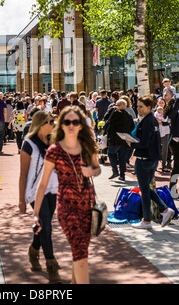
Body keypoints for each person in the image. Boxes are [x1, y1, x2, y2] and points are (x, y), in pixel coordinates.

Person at [33, 106, 101, 284]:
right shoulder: (54, 150)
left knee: (80, 252)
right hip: (67, 206)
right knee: (80, 251)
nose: (71, 125)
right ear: (61, 124)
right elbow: (42, 184)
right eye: (67, 121)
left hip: (88, 203)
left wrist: (91, 172)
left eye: (75, 122)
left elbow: (98, 168)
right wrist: (35, 214)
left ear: (81, 125)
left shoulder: (87, 145)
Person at [19, 111, 60, 283]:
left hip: (52, 189)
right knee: (47, 227)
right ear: (40, 124)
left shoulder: (54, 142)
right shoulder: (28, 144)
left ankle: (34, 249)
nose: (53, 124)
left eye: (53, 121)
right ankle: (51, 265)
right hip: (35, 191)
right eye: (50, 121)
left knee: (44, 225)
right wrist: (21, 199)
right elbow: (23, 174)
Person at [131, 95, 175, 229]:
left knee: (145, 190)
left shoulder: (148, 121)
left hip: (145, 159)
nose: (138, 109)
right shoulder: (152, 120)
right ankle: (161, 212)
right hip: (152, 159)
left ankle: (150, 219)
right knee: (146, 189)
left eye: (141, 107)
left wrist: (130, 143)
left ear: (149, 108)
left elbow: (144, 143)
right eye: (137, 106)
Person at [106, 99, 135, 181]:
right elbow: (132, 127)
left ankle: (115, 171)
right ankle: (122, 175)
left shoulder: (114, 114)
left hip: (114, 138)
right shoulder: (128, 115)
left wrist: (111, 110)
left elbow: (106, 118)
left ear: (118, 106)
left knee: (111, 153)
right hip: (124, 139)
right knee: (122, 158)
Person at [164, 94, 179, 198]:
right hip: (176, 141)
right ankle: (173, 191)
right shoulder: (174, 111)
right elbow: (171, 117)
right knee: (177, 167)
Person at [154, 103, 171, 172]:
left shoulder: (168, 112)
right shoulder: (155, 112)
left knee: (165, 149)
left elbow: (170, 121)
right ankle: (154, 166)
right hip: (157, 132)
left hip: (166, 132)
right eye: (159, 102)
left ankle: (164, 165)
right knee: (155, 148)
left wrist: (162, 122)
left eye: (162, 102)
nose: (161, 104)